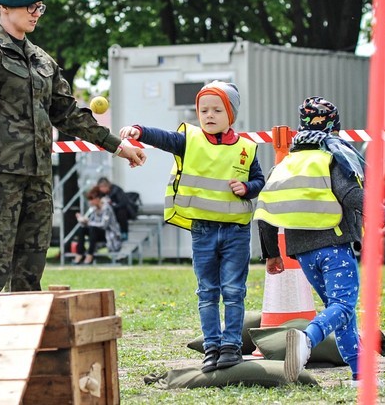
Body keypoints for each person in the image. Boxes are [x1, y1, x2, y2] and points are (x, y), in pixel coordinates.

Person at [0, 0, 146, 294]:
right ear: (5, 7)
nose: (36, 14)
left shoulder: (42, 60)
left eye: (40, 7)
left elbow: (67, 113)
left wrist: (117, 146)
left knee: (29, 271)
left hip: (38, 178)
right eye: (30, 7)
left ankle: (21, 344)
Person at [254, 96, 385, 384]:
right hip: (334, 247)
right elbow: (351, 195)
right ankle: (306, 340)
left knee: (340, 312)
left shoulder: (286, 164)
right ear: (335, 126)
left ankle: (360, 374)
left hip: (302, 253)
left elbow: (266, 209)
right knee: (345, 306)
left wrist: (272, 252)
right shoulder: (332, 157)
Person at [120, 80, 265, 372]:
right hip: (202, 231)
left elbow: (260, 181)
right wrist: (140, 131)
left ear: (231, 115)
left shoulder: (247, 149)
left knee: (234, 291)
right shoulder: (190, 140)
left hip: (236, 232)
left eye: (216, 110)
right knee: (208, 291)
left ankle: (232, 347)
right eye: (203, 110)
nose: (208, 115)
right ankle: (212, 347)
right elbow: (164, 138)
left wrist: (247, 187)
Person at [73, 186, 122, 264]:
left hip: (109, 234)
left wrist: (88, 222)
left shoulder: (107, 208)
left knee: (92, 229)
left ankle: (90, 254)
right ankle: (79, 253)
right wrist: (82, 220)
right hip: (96, 233)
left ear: (98, 199)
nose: (90, 202)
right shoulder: (94, 209)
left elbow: (104, 225)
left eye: (92, 199)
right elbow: (91, 222)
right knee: (82, 229)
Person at [96, 176, 136, 241]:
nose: (101, 189)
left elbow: (123, 203)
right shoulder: (102, 194)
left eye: (102, 187)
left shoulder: (116, 190)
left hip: (122, 211)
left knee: (121, 212)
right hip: (111, 212)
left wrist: (112, 206)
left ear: (106, 186)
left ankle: (124, 232)